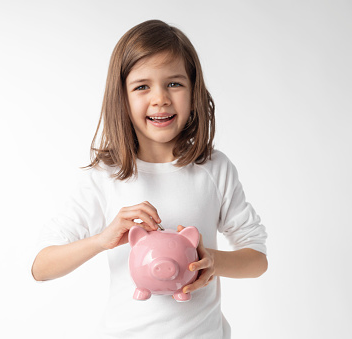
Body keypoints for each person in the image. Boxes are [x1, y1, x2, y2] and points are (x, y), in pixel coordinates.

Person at [31, 19, 268, 338]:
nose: (161, 98)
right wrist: (103, 239)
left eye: (174, 83)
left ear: (194, 89)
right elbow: (41, 267)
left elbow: (257, 259)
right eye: (142, 86)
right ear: (123, 98)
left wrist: (212, 261)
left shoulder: (213, 169)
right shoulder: (107, 176)